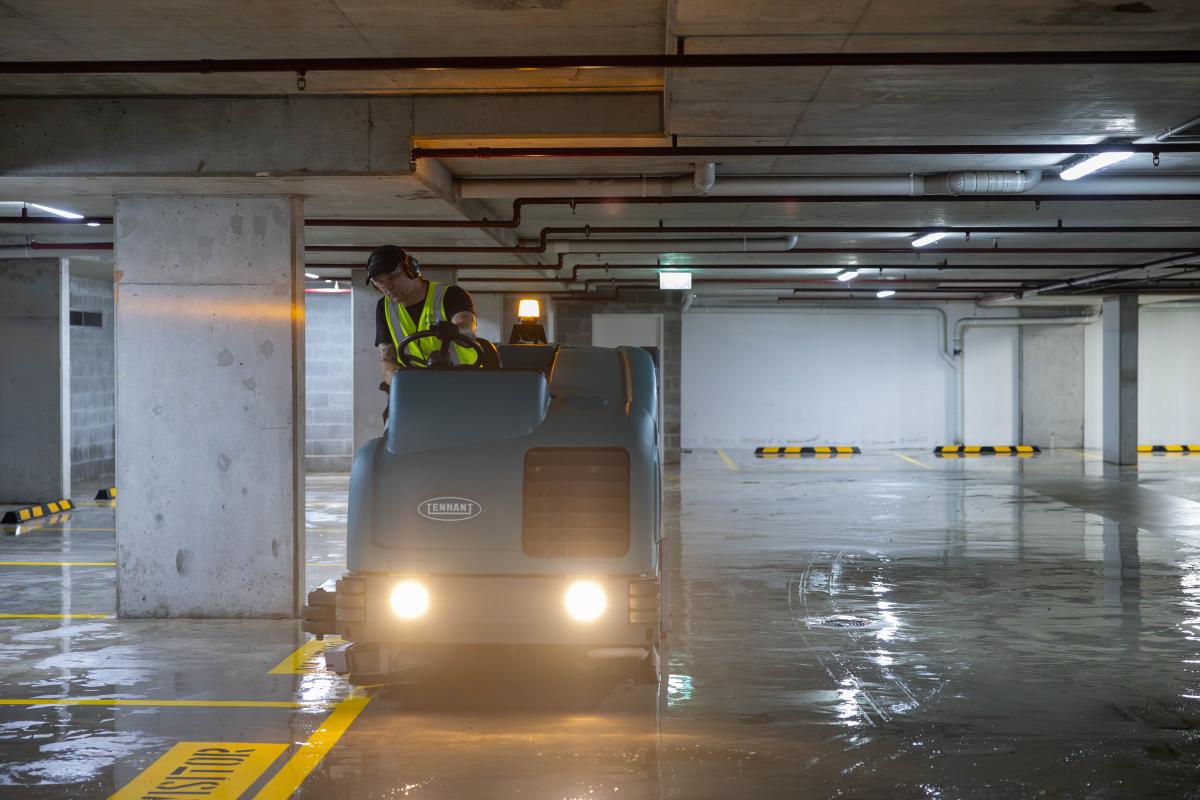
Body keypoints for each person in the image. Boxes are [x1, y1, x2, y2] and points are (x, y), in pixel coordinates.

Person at [367, 245, 479, 418]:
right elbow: (386, 359)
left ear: (411, 269)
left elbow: (467, 326)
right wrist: (397, 382)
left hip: (464, 385)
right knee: (391, 420)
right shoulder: (384, 307)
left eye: (391, 277)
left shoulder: (450, 295)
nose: (386, 287)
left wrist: (456, 329)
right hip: (418, 391)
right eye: (379, 282)